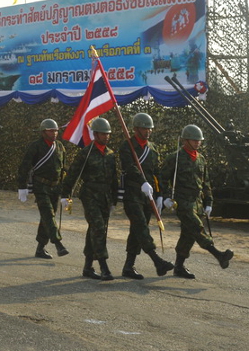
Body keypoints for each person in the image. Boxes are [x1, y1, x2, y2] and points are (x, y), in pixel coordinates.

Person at [161, 124, 233, 279]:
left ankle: (178, 267)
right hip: (182, 201)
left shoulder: (201, 159)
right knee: (197, 227)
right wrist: (165, 197)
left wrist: (209, 202)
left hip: (197, 202)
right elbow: (162, 179)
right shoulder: (175, 157)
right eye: (194, 140)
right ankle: (218, 255)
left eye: (199, 140)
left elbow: (205, 183)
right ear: (185, 140)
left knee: (188, 235)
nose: (197, 143)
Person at [117, 113, 175, 279]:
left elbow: (156, 173)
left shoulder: (153, 148)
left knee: (136, 231)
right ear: (136, 129)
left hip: (148, 196)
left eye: (150, 128)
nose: (148, 131)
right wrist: (142, 181)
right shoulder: (127, 146)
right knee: (141, 226)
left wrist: (160, 195)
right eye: (144, 128)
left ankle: (128, 267)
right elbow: (129, 167)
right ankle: (157, 261)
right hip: (133, 193)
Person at [63, 117, 119, 281]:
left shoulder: (110, 154)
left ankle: (88, 266)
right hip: (90, 195)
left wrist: (115, 198)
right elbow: (73, 173)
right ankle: (104, 266)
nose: (106, 137)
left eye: (107, 134)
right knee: (99, 228)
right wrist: (65, 194)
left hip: (105, 196)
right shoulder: (85, 153)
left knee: (95, 230)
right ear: (95, 134)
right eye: (103, 134)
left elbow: (114, 178)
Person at [16, 118, 69, 259]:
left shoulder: (60, 147)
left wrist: (66, 193)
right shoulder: (35, 146)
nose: (54, 133)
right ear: (43, 132)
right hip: (41, 186)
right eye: (51, 131)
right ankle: (58, 244)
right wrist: (22, 187)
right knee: (48, 215)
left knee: (46, 218)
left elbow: (64, 170)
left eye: (56, 131)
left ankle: (40, 248)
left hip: (55, 187)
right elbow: (24, 167)